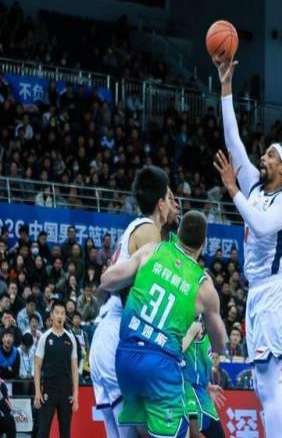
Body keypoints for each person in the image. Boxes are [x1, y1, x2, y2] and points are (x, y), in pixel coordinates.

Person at [213, 58, 282, 438]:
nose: (262, 157)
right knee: (262, 387)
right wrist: (226, 87)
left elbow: (261, 224)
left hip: (276, 291)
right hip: (256, 293)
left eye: (270, 154)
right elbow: (233, 141)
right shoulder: (254, 184)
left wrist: (232, 190)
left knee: (269, 386)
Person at [98, 211, 227, 438]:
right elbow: (220, 344)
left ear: (178, 233)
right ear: (204, 244)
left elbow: (107, 280)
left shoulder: (152, 250)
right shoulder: (204, 285)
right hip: (159, 364)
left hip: (125, 358)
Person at [89, 166, 179, 438]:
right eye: (171, 198)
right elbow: (146, 298)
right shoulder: (149, 231)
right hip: (119, 336)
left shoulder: (137, 229)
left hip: (106, 336)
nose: (175, 204)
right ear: (160, 203)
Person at [34, 300, 79, 438]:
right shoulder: (44, 337)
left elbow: (74, 369)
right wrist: (37, 391)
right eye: (57, 313)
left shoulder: (70, 338)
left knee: (65, 432)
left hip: (66, 390)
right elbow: (37, 367)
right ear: (51, 316)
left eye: (62, 313)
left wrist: (76, 394)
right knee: (43, 432)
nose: (60, 316)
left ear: (65, 316)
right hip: (49, 389)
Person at [183, 319, 226, 438]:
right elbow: (174, 351)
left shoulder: (207, 337)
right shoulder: (194, 327)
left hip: (203, 394)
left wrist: (208, 385)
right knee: (194, 433)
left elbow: (199, 365)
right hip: (190, 391)